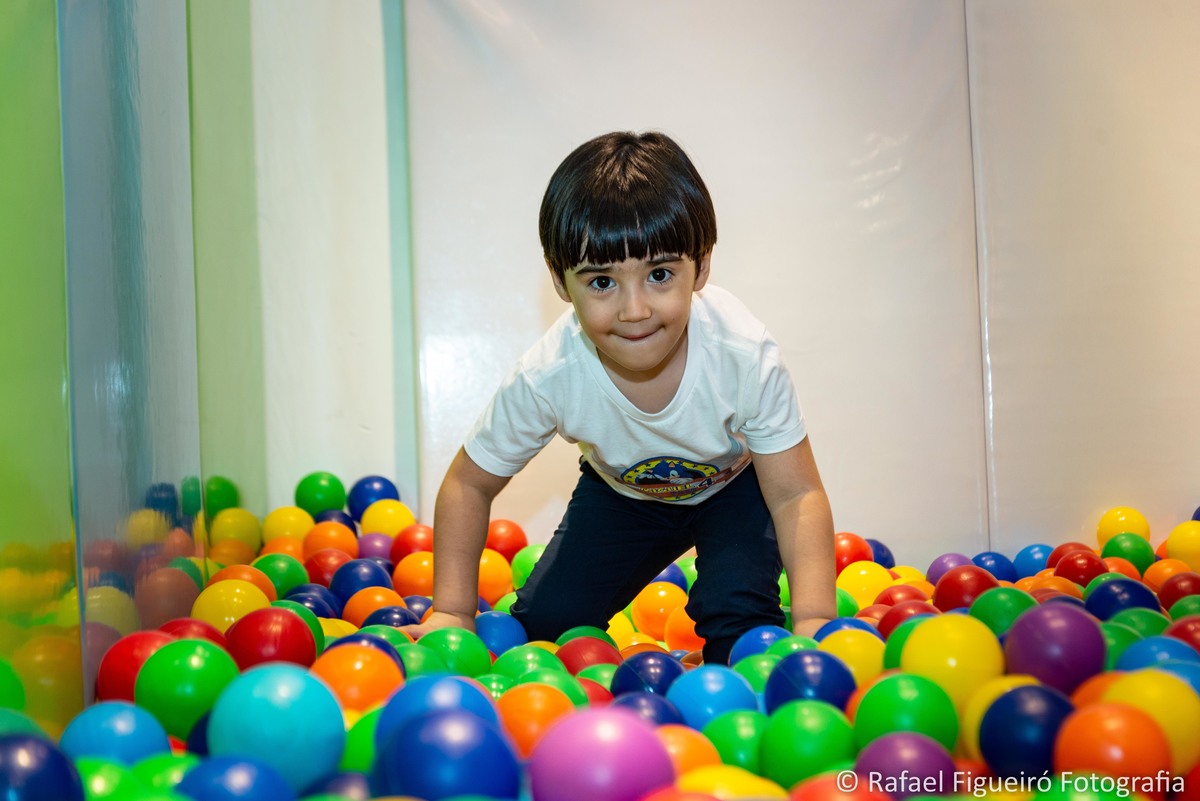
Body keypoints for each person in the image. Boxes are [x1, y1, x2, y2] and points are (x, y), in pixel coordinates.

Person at [403, 130, 836, 664]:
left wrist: (815, 620)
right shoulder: (552, 374)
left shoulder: (743, 355)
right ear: (561, 282)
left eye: (660, 274)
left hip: (735, 490)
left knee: (740, 631)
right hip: (623, 496)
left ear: (701, 267)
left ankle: (728, 643)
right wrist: (452, 610)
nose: (635, 311)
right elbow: (468, 484)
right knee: (548, 628)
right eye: (602, 282)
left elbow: (796, 495)